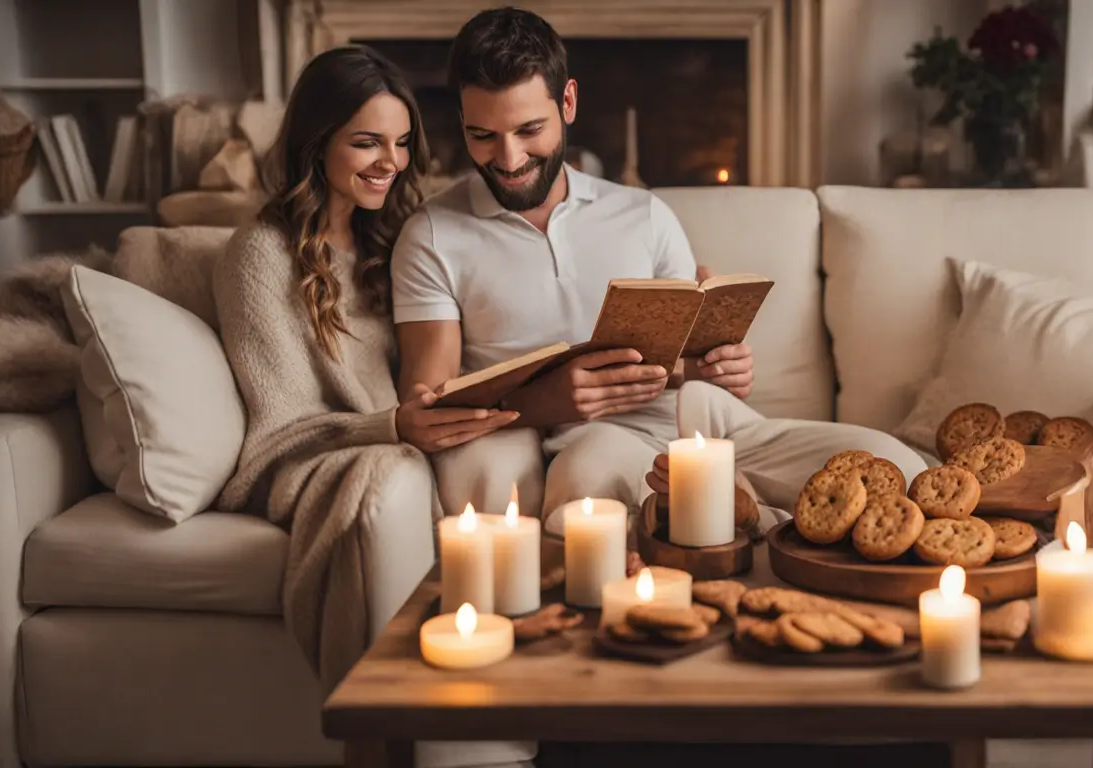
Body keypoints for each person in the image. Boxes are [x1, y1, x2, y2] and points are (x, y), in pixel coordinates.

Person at [391, 8, 926, 534]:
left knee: (895, 467)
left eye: (530, 129)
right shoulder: (435, 234)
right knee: (588, 492)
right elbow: (436, 402)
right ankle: (751, 516)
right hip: (593, 437)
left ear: (568, 102)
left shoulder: (642, 213)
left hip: (698, 413)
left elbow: (687, 352)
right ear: (461, 122)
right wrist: (542, 401)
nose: (508, 159)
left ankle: (746, 505)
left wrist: (719, 365)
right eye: (483, 135)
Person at [212, 44, 537, 768]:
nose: (388, 162)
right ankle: (395, 736)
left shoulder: (396, 231)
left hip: (412, 435)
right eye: (365, 143)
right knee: (390, 487)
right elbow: (280, 425)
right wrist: (392, 425)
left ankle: (508, 713)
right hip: (324, 455)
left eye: (399, 143)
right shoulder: (260, 255)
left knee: (496, 465)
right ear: (314, 143)